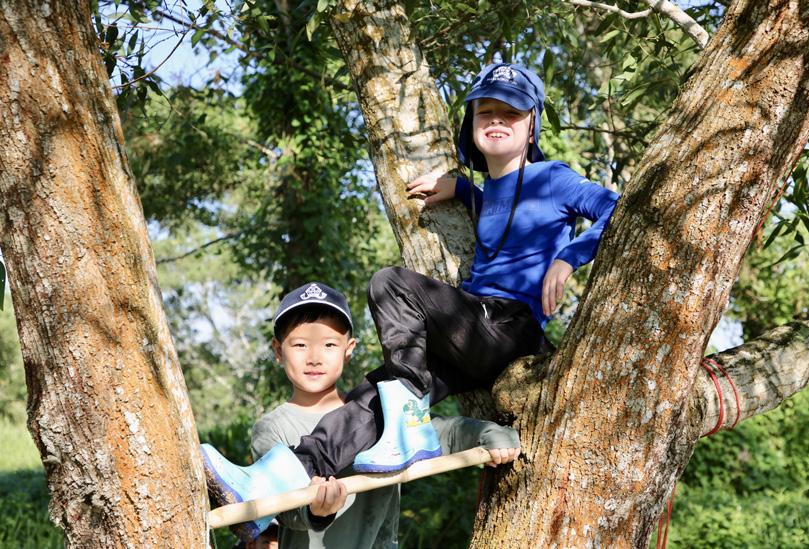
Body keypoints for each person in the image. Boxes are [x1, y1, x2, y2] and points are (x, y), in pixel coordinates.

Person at [203, 62, 618, 538]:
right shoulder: (490, 190)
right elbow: (502, 209)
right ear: (471, 123)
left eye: (512, 112)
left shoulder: (553, 178)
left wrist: (568, 257)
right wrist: (462, 189)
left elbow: (615, 208)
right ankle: (271, 482)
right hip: (474, 334)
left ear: (532, 125)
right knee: (371, 397)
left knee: (392, 284)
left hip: (510, 327)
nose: (497, 120)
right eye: (485, 111)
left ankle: (408, 426)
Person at [205, 282, 521, 544]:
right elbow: (282, 511)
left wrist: (486, 433)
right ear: (278, 351)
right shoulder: (272, 427)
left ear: (349, 348)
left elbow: (438, 433)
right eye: (300, 345)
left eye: (329, 345)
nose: (314, 358)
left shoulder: (377, 408)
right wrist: (316, 510)